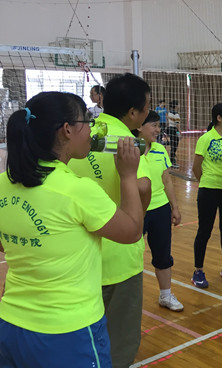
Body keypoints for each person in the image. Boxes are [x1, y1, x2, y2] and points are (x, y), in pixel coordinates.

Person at [0, 92, 143, 367]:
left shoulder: (3, 184)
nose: (91, 130)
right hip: (68, 333)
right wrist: (127, 175)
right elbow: (132, 231)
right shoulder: (77, 190)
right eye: (87, 121)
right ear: (67, 130)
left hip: (11, 325)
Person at [68, 73, 152, 368]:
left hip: (76, 259)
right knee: (119, 340)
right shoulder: (129, 144)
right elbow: (142, 190)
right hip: (118, 260)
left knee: (79, 339)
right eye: (146, 108)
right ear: (133, 112)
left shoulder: (79, 136)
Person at [137, 110, 184, 311]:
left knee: (163, 254)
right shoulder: (129, 150)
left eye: (159, 125)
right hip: (136, 210)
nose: (158, 130)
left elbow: (167, 181)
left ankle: (165, 295)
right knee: (131, 254)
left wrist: (174, 207)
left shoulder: (160, 150)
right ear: (139, 126)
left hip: (160, 209)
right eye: (154, 125)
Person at [191, 103, 222, 288]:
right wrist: (207, 182)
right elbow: (196, 167)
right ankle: (198, 271)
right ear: (219, 118)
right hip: (209, 190)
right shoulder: (206, 139)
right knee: (205, 230)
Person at [167, 101, 181, 167]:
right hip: (174, 130)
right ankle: (172, 161)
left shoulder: (169, 113)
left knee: (172, 145)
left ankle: (172, 160)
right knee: (175, 145)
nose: (179, 106)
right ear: (175, 106)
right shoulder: (176, 114)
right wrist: (179, 132)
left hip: (170, 129)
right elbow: (177, 125)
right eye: (178, 104)